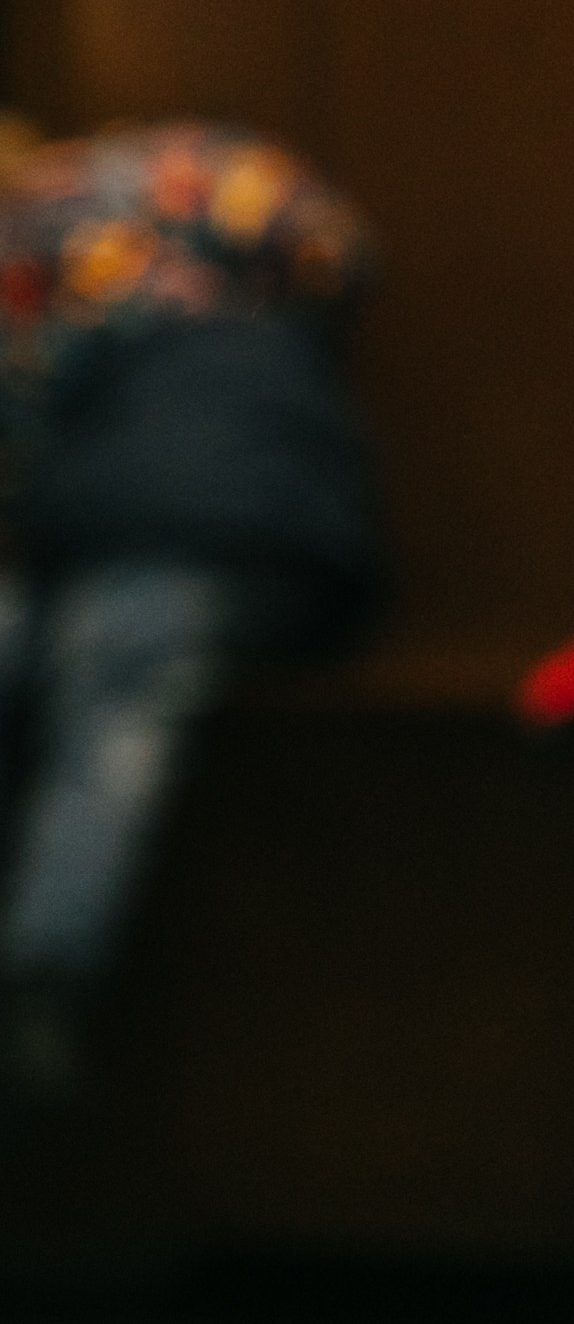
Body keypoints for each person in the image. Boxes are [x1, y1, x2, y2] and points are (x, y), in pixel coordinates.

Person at [0, 118, 382, 1158]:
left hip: (117, 523)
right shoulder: (195, 174)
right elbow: (344, 249)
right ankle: (41, 973)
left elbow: (18, 420)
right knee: (116, 699)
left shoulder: (31, 248)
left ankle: (39, 973)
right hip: (280, 521)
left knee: (90, 688)